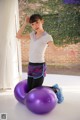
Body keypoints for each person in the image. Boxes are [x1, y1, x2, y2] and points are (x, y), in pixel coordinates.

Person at [16, 14, 64, 104]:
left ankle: (56, 90)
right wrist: (25, 23)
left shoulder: (47, 36)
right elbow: (18, 36)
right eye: (32, 24)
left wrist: (64, 52)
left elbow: (54, 49)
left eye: (37, 22)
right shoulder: (32, 35)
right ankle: (55, 88)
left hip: (39, 66)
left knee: (36, 90)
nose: (35, 26)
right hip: (31, 65)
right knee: (31, 90)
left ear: (42, 21)